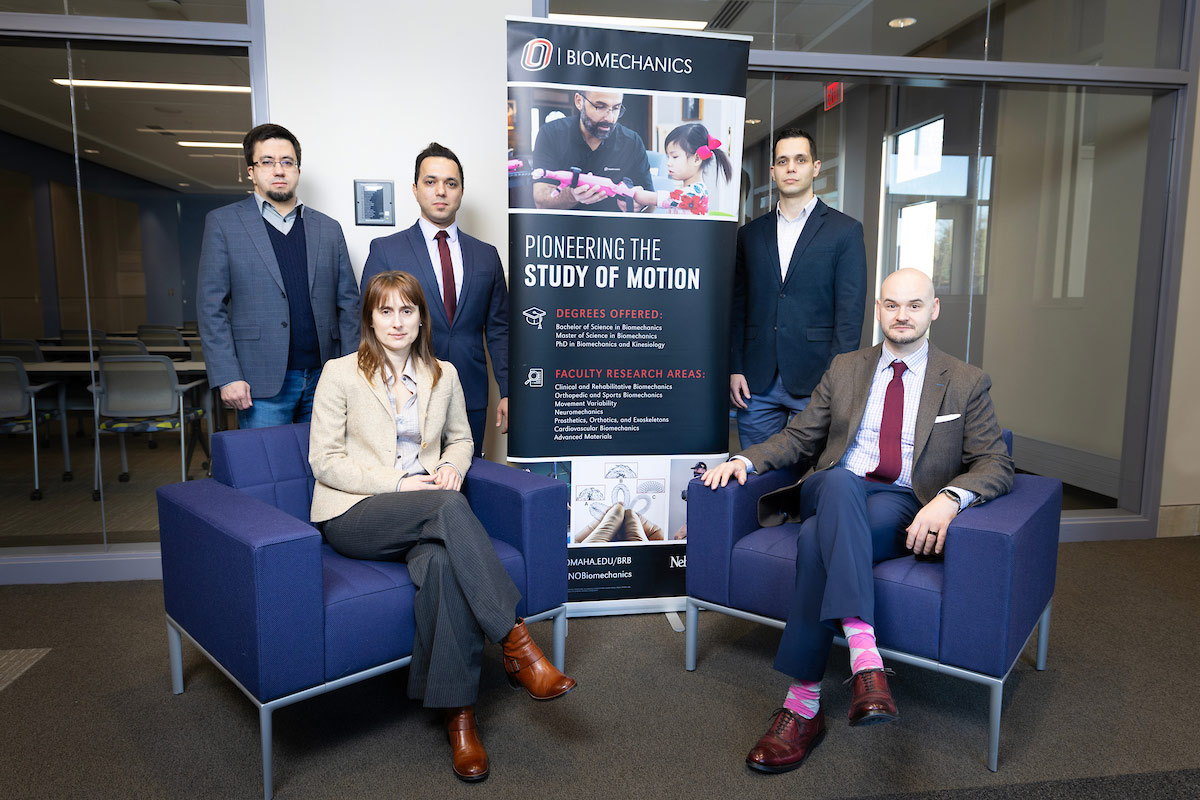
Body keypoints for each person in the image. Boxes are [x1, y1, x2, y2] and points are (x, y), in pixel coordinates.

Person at [702, 268, 1014, 774]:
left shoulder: (964, 381)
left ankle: (802, 706)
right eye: (892, 305)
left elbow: (995, 463)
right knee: (842, 483)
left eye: (914, 305)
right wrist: (746, 460)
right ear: (878, 311)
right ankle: (865, 658)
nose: (902, 315)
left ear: (933, 310)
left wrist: (951, 499)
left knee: (814, 542)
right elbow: (801, 437)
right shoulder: (846, 368)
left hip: (901, 503)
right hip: (834, 486)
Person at [308, 271, 576, 783]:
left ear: (420, 318)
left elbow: (461, 439)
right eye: (385, 311)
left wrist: (453, 465)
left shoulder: (443, 374)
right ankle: (517, 643)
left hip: (426, 514)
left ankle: (460, 719)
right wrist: (400, 483)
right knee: (446, 507)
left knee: (445, 565)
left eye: (406, 311)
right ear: (369, 317)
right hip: (356, 513)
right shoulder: (340, 373)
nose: (396, 321)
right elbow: (325, 461)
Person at [197, 123, 359, 428]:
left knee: (328, 473)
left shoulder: (328, 228)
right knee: (270, 472)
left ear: (297, 169)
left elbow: (349, 305)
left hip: (328, 380)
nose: (279, 170)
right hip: (260, 384)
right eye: (267, 162)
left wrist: (353, 373)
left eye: (287, 162)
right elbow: (210, 308)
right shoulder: (224, 224)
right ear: (251, 171)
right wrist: (228, 375)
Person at [359, 143, 508, 456]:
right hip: (404, 394)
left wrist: (508, 391)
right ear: (415, 190)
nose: (441, 191)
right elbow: (367, 328)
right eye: (430, 182)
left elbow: (500, 331)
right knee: (413, 490)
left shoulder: (487, 256)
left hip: (470, 394)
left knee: (467, 482)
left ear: (461, 191)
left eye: (450, 183)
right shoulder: (386, 251)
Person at [730, 127, 867, 447]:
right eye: (783, 161)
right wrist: (735, 368)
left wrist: (837, 380)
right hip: (756, 381)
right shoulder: (749, 235)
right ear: (773, 171)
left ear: (815, 167)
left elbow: (850, 313)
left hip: (817, 381)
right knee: (756, 476)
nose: (791, 167)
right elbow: (738, 306)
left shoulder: (845, 232)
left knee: (810, 480)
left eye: (800, 159)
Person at [531, 89, 654, 213]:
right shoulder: (551, 134)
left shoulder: (632, 141)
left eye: (616, 108)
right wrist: (572, 195)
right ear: (579, 101)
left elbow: (651, 202)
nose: (610, 118)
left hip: (614, 229)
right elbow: (540, 201)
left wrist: (641, 205)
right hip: (563, 228)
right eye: (600, 107)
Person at [632, 122, 732, 215]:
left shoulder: (697, 193)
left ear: (697, 159)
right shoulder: (684, 191)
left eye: (674, 157)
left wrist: (638, 194)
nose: (668, 163)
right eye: (668, 157)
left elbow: (665, 198)